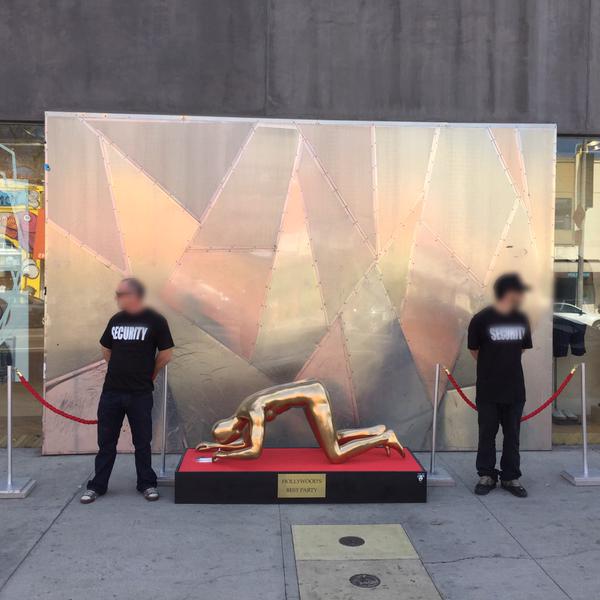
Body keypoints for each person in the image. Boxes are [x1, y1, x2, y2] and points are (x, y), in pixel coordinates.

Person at [80, 278, 174, 504]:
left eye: (121, 294)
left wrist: (150, 374)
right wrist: (118, 368)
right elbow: (106, 348)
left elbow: (166, 353)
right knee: (106, 442)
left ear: (134, 295)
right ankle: (97, 486)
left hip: (140, 393)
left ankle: (147, 483)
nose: (117, 297)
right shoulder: (116, 320)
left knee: (142, 442)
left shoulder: (156, 320)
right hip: (112, 392)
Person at [467, 273, 532, 498]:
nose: (522, 295)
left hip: (514, 388)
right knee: (487, 434)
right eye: (519, 291)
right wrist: (492, 367)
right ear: (508, 292)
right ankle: (486, 475)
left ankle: (510, 477)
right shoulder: (481, 319)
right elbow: (474, 350)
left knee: (512, 436)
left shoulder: (521, 318)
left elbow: (522, 348)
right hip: (489, 389)